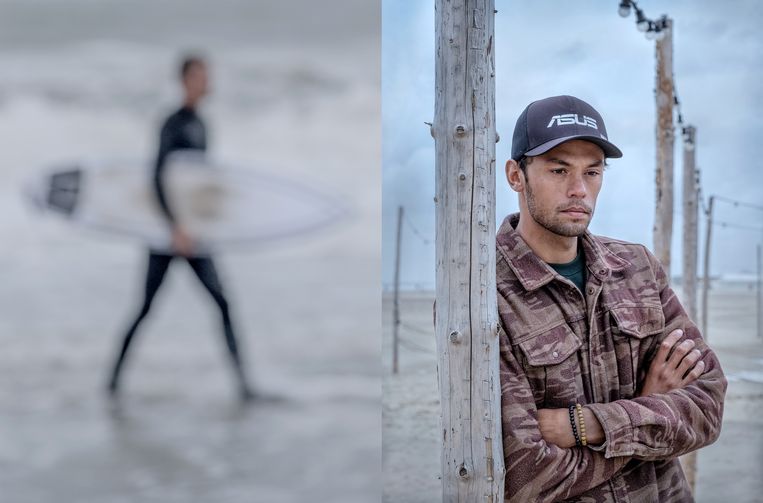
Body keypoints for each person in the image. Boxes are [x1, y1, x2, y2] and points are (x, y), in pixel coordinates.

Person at [497, 95, 726, 502]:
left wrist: (585, 425)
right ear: (516, 175)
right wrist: (650, 410)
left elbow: (707, 406)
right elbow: (527, 475)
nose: (579, 190)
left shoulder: (636, 267)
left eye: (593, 171)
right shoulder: (483, 295)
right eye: (558, 169)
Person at [107, 55, 254, 401]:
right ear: (185, 80)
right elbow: (157, 177)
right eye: (201, 76)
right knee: (144, 308)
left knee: (222, 303)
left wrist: (207, 223)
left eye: (208, 75)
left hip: (195, 235)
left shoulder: (202, 124)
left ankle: (244, 387)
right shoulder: (171, 124)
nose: (207, 82)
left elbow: (196, 185)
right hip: (166, 235)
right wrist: (176, 228)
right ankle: (112, 383)